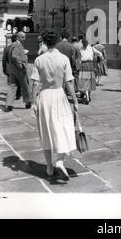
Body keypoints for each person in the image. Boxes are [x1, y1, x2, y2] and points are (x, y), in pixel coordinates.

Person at [30, 29, 78, 180]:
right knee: (65, 128)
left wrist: (33, 102)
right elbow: (69, 82)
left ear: (43, 42)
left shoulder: (39, 60)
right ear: (56, 41)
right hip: (59, 95)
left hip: (44, 96)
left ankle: (49, 167)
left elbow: (35, 84)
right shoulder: (63, 59)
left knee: (46, 131)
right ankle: (59, 160)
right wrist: (75, 100)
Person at [4, 31, 32, 112]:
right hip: (19, 70)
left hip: (12, 69)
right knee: (25, 86)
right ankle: (28, 102)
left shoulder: (12, 45)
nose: (24, 39)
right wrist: (21, 65)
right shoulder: (17, 45)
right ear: (17, 38)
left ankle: (9, 104)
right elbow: (14, 56)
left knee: (11, 87)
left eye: (24, 37)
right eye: (22, 37)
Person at [78, 37, 102, 104]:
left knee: (89, 81)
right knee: (86, 82)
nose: (85, 44)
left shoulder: (91, 48)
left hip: (89, 65)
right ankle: (87, 97)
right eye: (84, 43)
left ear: (87, 43)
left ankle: (88, 96)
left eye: (86, 42)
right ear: (82, 43)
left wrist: (99, 59)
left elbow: (99, 53)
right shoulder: (81, 49)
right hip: (85, 65)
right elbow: (79, 59)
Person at [2, 34, 21, 100]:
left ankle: (11, 97)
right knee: (19, 81)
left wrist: (4, 69)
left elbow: (4, 60)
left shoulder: (7, 48)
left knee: (11, 84)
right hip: (19, 68)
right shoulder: (19, 48)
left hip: (10, 68)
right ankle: (18, 94)